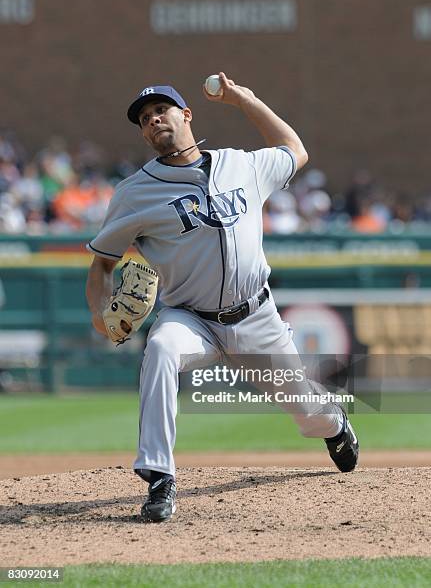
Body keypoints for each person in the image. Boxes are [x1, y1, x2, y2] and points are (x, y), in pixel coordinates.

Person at [86, 73, 359, 523]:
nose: (154, 120)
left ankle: (335, 424)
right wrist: (99, 314)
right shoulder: (134, 193)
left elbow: (295, 150)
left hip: (256, 318)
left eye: (161, 111)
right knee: (159, 347)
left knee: (309, 413)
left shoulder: (242, 165)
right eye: (145, 119)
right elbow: (101, 263)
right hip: (190, 318)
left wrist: (246, 100)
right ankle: (159, 475)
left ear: (186, 115)